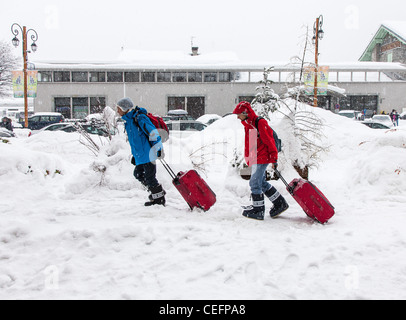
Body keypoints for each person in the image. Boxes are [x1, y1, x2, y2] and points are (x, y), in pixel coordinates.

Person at [233, 101, 289, 220]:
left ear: (245, 112)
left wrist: (274, 159)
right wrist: (250, 159)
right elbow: (252, 143)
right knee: (261, 183)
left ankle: (258, 210)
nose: (238, 117)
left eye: (239, 114)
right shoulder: (249, 124)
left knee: (254, 183)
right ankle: (280, 204)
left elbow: (270, 142)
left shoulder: (259, 122)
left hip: (262, 158)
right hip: (256, 158)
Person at [116, 98, 166, 207]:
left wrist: (158, 149)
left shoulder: (139, 118)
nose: (117, 110)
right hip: (141, 155)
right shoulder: (129, 121)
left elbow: (153, 133)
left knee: (150, 177)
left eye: (118, 108)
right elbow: (135, 141)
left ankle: (159, 199)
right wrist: (135, 156)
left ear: (125, 108)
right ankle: (157, 193)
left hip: (148, 154)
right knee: (138, 174)